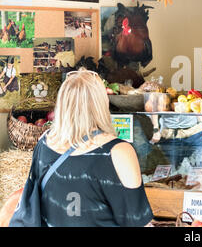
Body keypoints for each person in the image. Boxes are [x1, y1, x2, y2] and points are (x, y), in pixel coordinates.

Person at [22, 68, 153, 227]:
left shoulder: (44, 143)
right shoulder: (118, 151)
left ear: (62, 102)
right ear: (101, 103)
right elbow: (139, 222)